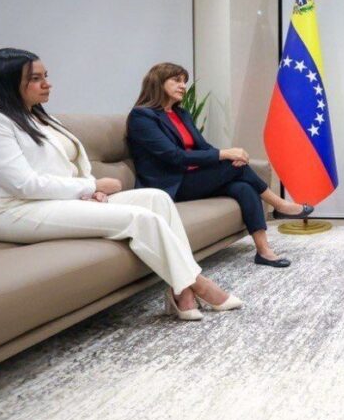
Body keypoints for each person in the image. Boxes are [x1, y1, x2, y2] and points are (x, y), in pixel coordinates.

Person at [0, 48, 241, 322]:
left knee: (157, 198)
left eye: (46, 76)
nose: (47, 83)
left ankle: (180, 289)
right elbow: (23, 184)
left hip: (57, 200)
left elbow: (67, 167)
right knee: (140, 218)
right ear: (5, 82)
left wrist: (88, 191)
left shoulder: (39, 117)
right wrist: (90, 186)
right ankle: (196, 284)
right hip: (12, 210)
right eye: (35, 78)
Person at [126, 62, 312, 269]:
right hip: (171, 184)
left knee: (243, 187)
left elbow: (204, 147)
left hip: (194, 178)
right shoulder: (142, 116)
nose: (183, 86)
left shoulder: (181, 114)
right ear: (158, 82)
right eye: (177, 80)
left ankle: (264, 251)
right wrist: (226, 154)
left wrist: (227, 157)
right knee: (236, 167)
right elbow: (173, 156)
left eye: (185, 81)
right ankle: (279, 205)